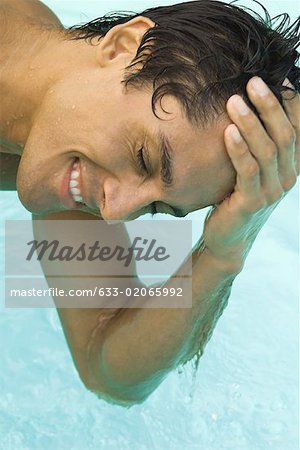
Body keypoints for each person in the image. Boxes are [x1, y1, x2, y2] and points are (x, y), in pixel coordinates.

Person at [0, 0, 299, 406]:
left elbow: (108, 371)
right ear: (123, 46)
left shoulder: (62, 143)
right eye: (144, 156)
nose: (114, 210)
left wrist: (225, 250)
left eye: (156, 209)